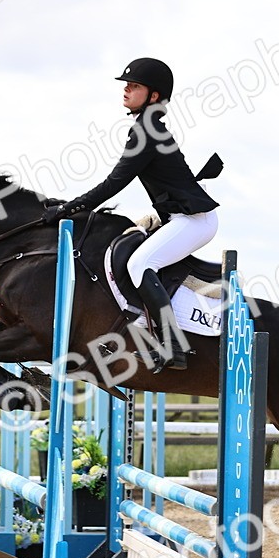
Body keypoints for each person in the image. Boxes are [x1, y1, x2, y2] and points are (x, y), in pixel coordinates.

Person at [44, 58, 219, 371]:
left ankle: (171, 346)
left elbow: (114, 183)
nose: (126, 90)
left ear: (153, 96)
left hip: (193, 223)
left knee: (140, 263)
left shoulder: (147, 132)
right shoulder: (148, 128)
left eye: (134, 86)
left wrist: (69, 208)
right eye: (127, 84)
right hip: (180, 218)